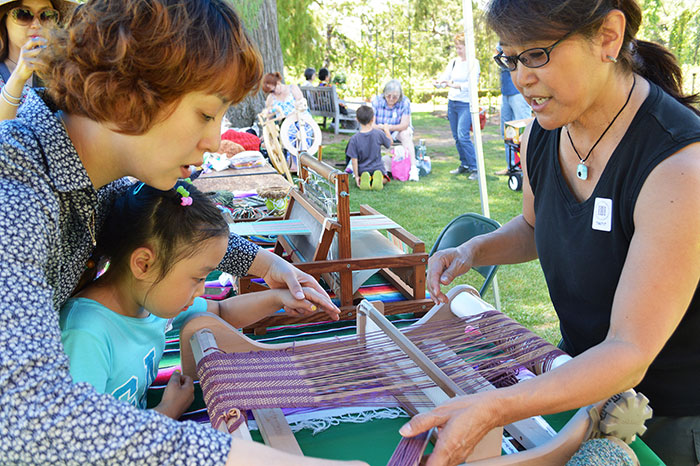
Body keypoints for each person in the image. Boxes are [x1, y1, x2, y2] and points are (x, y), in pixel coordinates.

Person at [0, 0, 362, 465]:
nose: (214, 141)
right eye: (206, 115)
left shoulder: (84, 169)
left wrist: (265, 264)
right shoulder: (16, 192)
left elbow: (161, 222)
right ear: (130, 93)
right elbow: (29, 420)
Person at [399, 0, 700, 465]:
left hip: (668, 419)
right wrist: (473, 250)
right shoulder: (545, 129)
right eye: (509, 57)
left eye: (536, 54)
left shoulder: (680, 167)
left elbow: (630, 350)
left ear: (607, 37)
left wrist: (495, 406)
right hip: (575, 382)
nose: (521, 77)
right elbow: (535, 226)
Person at [60, 181, 340, 420]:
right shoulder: (86, 336)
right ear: (144, 264)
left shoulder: (148, 301)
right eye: (197, 278)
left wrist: (279, 298)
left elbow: (221, 310)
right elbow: (84, 447)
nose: (201, 290)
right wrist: (168, 410)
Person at [0, 0, 75, 120]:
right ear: (4, 20)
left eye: (47, 15)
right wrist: (18, 77)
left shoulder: (67, 71)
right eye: (23, 14)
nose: (36, 24)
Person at [434, 32, 481, 180]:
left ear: (468, 47)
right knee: (456, 137)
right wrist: (440, 83)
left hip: (466, 104)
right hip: (452, 103)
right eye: (457, 47)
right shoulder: (454, 62)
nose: (458, 50)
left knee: (463, 136)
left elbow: (471, 85)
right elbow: (446, 78)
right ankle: (464, 164)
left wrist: (455, 85)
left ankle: (475, 168)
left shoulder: (474, 63)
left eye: (460, 47)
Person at [494, 43, 532, 176]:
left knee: (522, 132)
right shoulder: (501, 41)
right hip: (505, 92)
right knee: (507, 132)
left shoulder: (513, 37)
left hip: (517, 92)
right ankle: (511, 167)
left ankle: (526, 168)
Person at [371, 79, 419, 181]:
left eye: (395, 97)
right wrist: (384, 129)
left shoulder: (405, 102)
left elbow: (404, 125)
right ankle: (369, 166)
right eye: (389, 96)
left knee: (405, 134)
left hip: (397, 130)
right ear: (384, 93)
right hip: (380, 130)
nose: (391, 99)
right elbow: (372, 124)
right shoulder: (377, 100)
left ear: (400, 96)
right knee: (371, 134)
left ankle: (413, 169)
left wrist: (388, 127)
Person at [346, 105, 392, 190]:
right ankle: (378, 180)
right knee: (386, 178)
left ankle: (366, 179)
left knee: (363, 176)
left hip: (362, 170)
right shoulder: (378, 134)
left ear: (357, 119)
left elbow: (354, 160)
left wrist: (356, 176)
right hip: (378, 168)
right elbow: (389, 143)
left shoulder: (354, 139)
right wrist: (386, 130)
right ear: (373, 119)